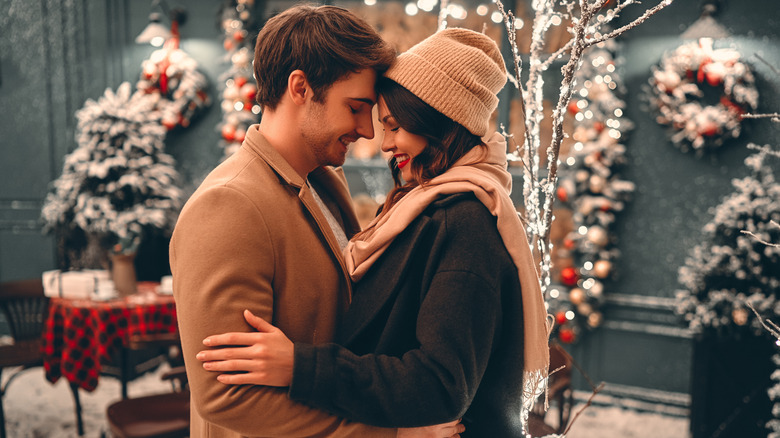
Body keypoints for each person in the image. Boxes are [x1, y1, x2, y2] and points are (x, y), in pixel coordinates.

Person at [196, 28, 553, 437]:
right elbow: (223, 390)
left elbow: (439, 381)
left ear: (439, 124)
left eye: (394, 125)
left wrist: (302, 365)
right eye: (360, 110)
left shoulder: (463, 219)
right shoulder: (416, 205)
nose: (378, 139)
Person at [170, 4, 463, 437]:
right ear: (300, 87)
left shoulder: (323, 181)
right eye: (357, 107)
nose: (368, 130)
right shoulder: (229, 205)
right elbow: (225, 395)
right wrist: (391, 432)